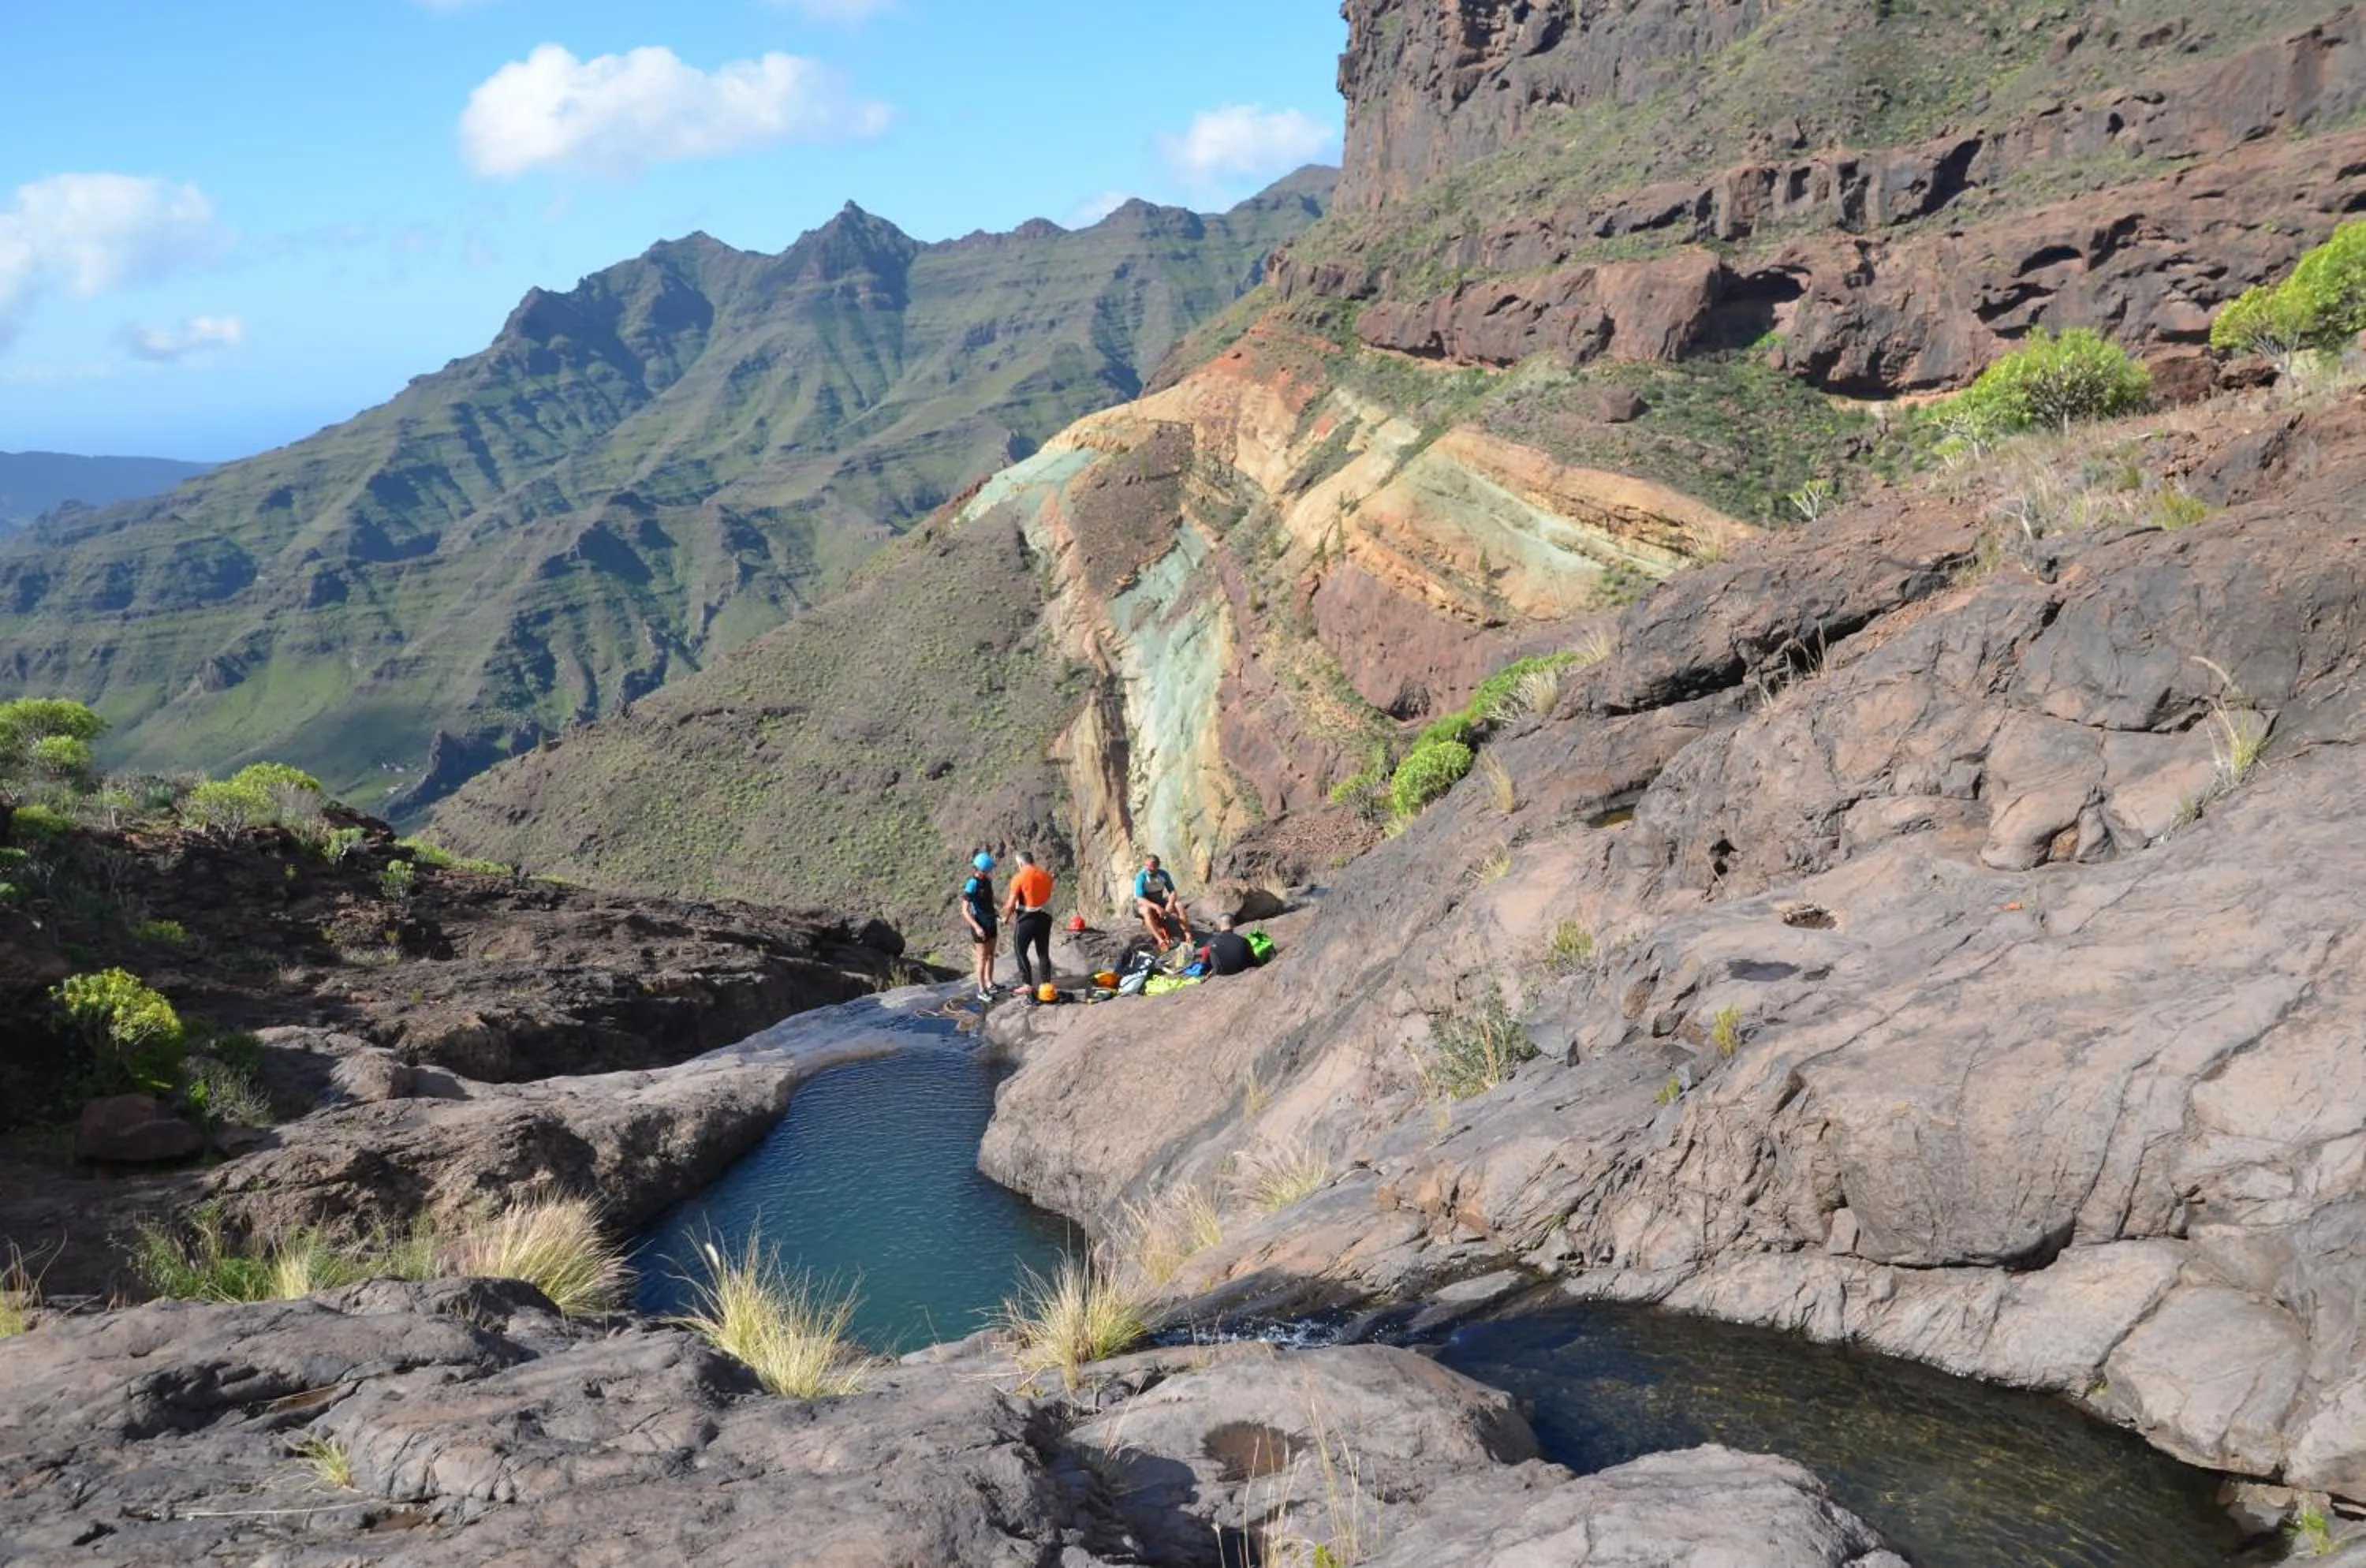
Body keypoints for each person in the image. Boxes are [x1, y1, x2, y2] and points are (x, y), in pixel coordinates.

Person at [1002, 850, 1056, 993]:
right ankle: (1046, 984)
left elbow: (1011, 904)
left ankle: (1027, 984)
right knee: (1043, 952)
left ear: (1020, 863)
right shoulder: (1046, 875)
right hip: (1045, 916)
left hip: (1027, 918)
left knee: (1020, 950)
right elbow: (1047, 894)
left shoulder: (1018, 878)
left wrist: (1005, 918)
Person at [959, 850, 998, 1002]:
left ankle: (990, 984)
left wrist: (1003, 907)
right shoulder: (972, 884)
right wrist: (976, 927)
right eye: (990, 869)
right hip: (980, 924)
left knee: (991, 955)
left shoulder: (987, 881)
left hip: (991, 922)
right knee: (982, 958)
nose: (991, 871)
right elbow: (964, 910)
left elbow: (991, 898)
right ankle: (982, 990)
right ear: (984, 869)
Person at [1133, 853, 1191, 949]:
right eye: (1146, 865)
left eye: (1151, 867)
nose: (1147, 868)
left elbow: (1172, 891)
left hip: (1158, 900)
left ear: (1157, 867)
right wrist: (1156, 907)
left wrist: (1170, 903)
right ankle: (1160, 940)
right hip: (1143, 904)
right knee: (1146, 910)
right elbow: (1140, 899)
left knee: (1179, 905)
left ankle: (1188, 935)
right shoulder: (1141, 877)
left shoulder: (1163, 874)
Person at [1205, 912, 1256, 976]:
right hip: (1242, 971)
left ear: (1220, 925)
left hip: (1221, 974)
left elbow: (1204, 964)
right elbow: (1253, 961)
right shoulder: (1244, 941)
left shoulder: (1210, 943)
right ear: (1234, 924)